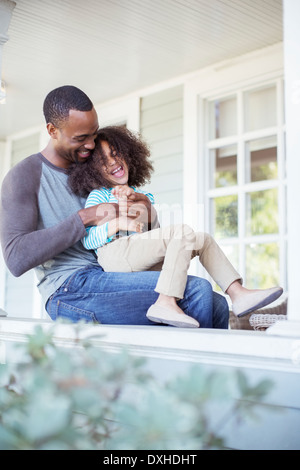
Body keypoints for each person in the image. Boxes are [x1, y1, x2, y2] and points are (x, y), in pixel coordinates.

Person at [0, 85, 231, 329]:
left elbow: (135, 237)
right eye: (80, 138)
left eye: (93, 134)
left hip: (112, 271)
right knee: (196, 291)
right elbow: (16, 258)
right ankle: (193, 368)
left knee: (218, 304)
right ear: (52, 130)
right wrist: (85, 217)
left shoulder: (91, 167)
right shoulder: (26, 175)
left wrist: (146, 211)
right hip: (68, 289)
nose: (90, 145)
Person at [67, 125, 283, 328]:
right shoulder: (98, 195)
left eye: (115, 153)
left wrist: (135, 199)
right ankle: (165, 302)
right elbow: (88, 240)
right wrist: (116, 224)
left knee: (201, 239)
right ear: (94, 171)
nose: (112, 162)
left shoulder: (142, 196)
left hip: (138, 257)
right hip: (115, 256)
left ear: (127, 154)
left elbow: (152, 231)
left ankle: (238, 293)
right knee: (181, 232)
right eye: (103, 161)